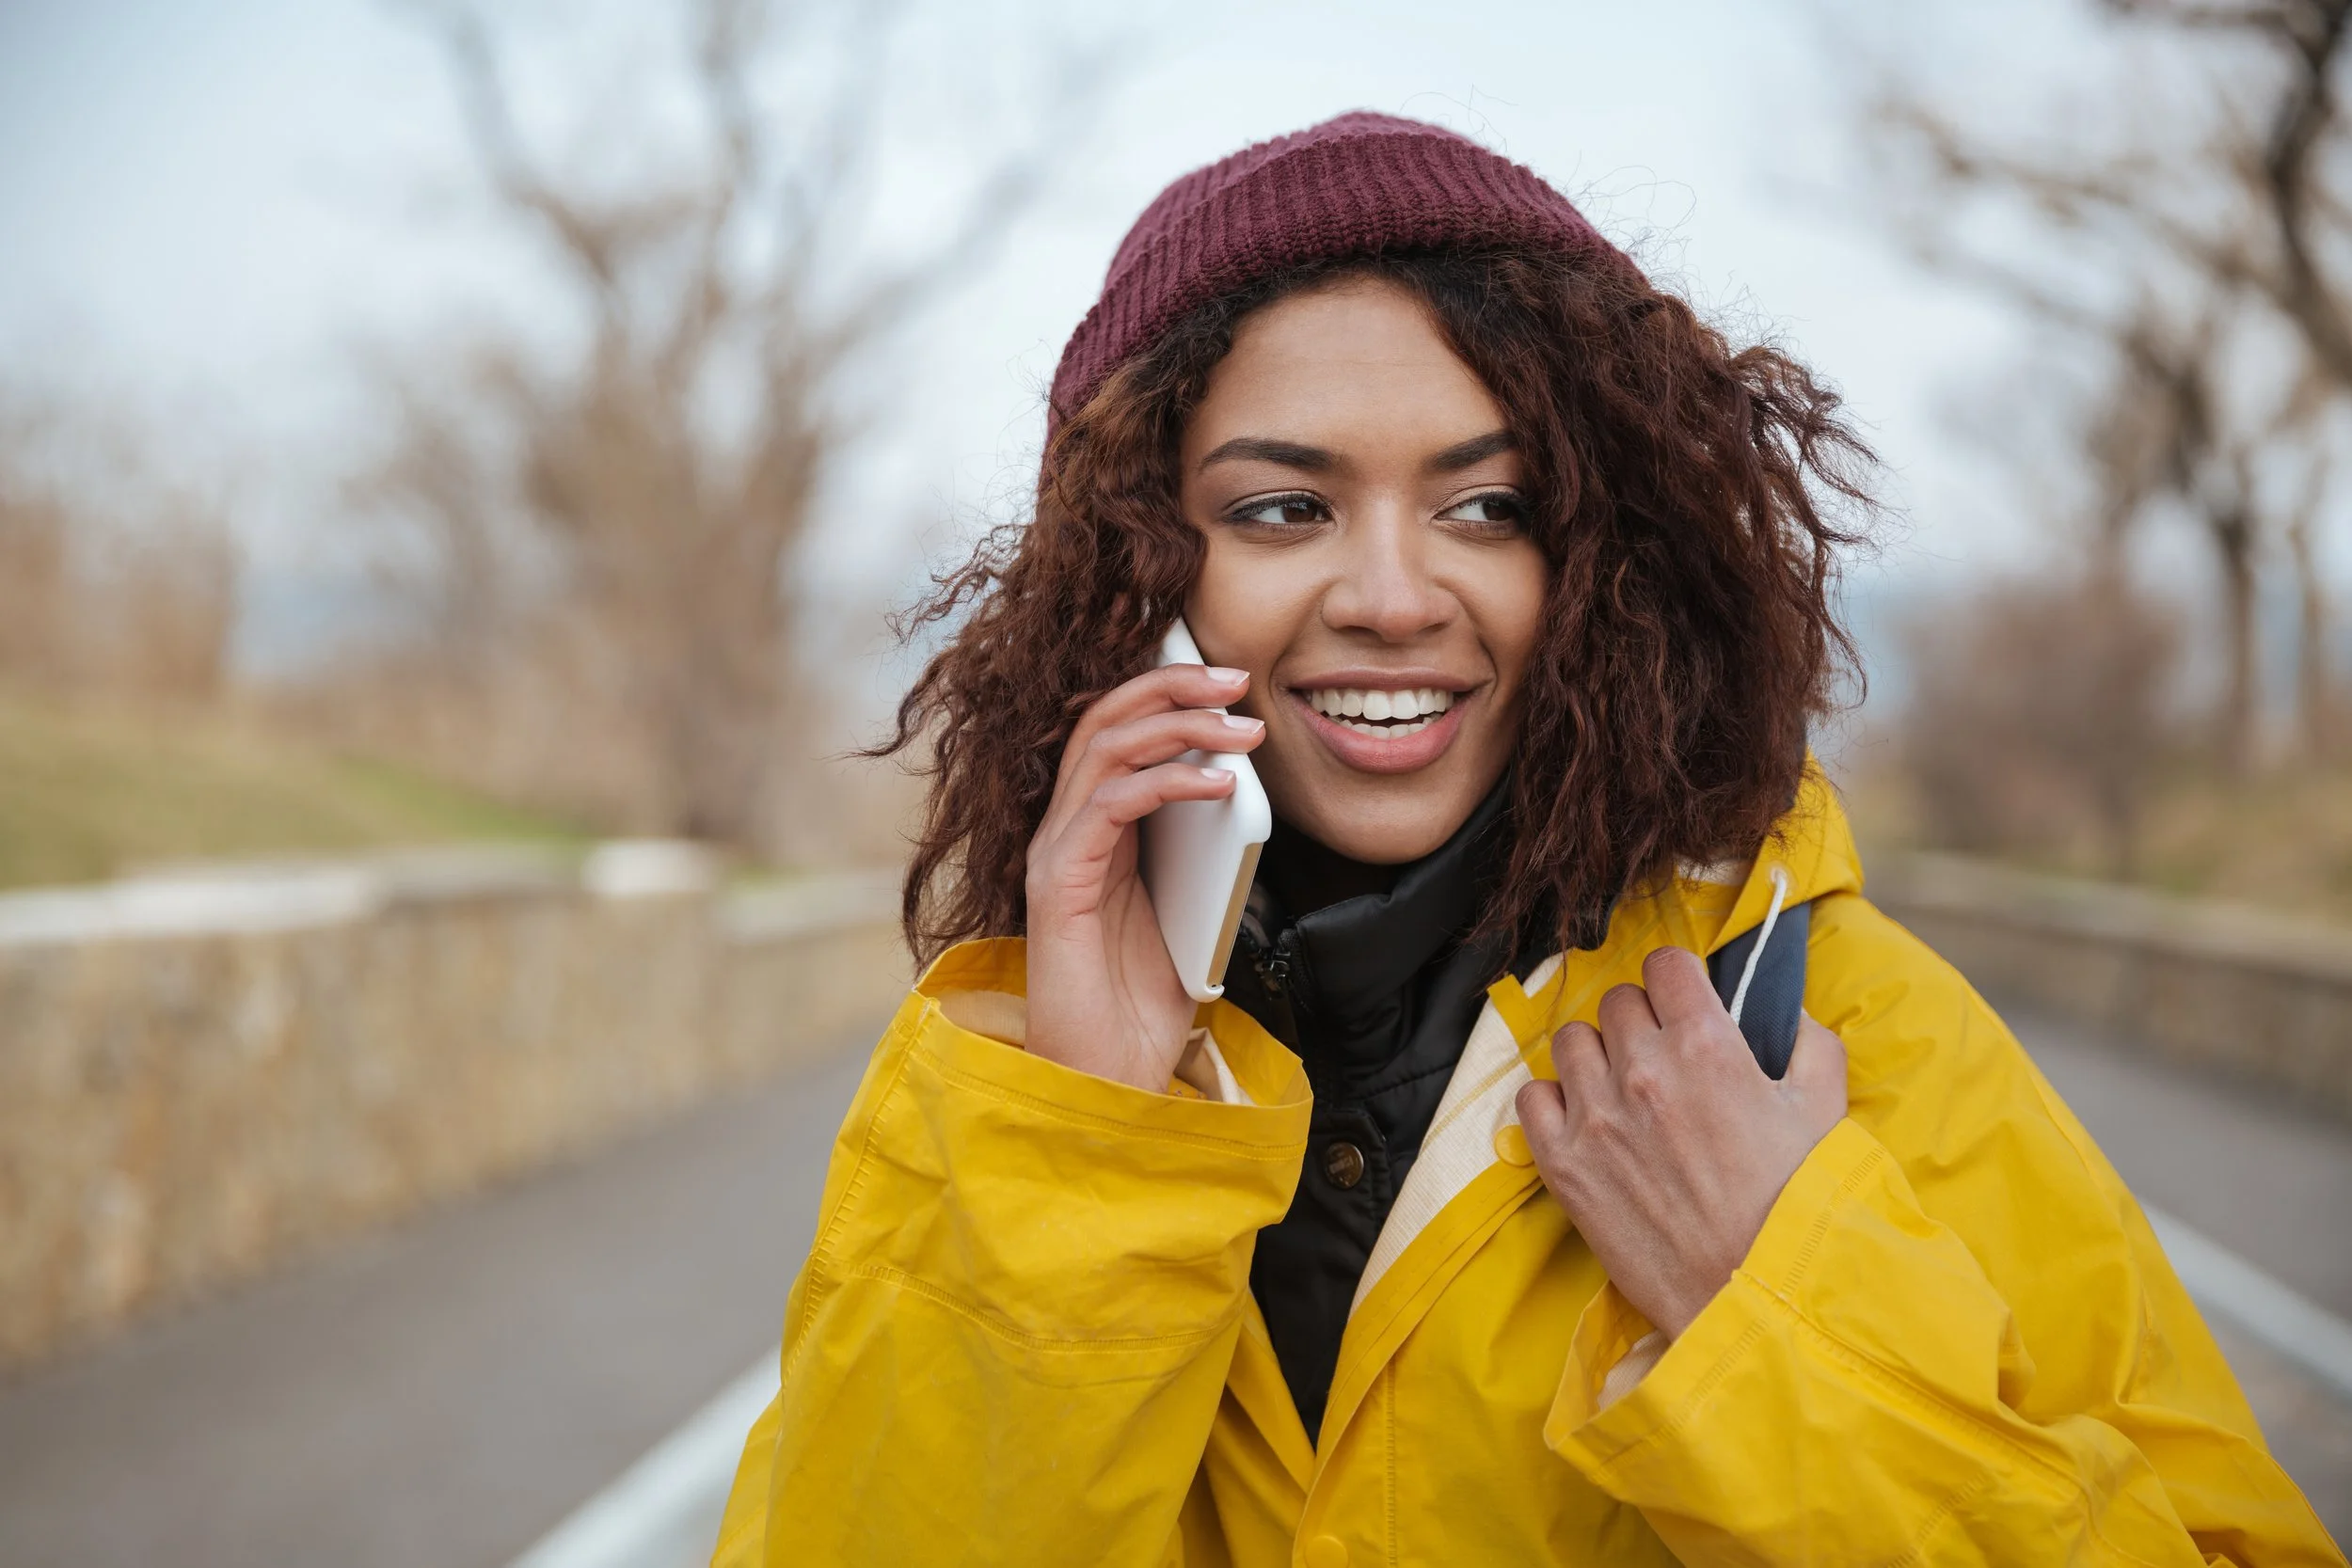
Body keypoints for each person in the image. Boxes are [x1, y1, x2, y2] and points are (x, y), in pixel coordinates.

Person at [712, 113, 2343, 1566]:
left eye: (1487, 506)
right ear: (1138, 571)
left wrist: (1770, 1302)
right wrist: (1082, 1141)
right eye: (1285, 507)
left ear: (1606, 559)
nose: (1395, 594)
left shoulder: (1837, 1028)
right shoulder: (1011, 1072)